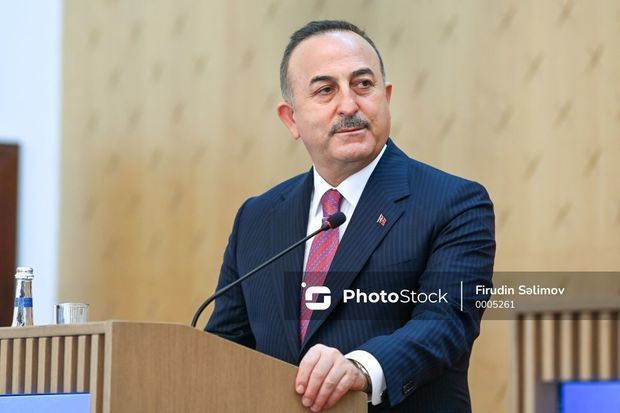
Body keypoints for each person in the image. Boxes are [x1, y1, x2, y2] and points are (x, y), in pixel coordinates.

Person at [206, 20, 495, 412]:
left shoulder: (453, 202)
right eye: (325, 90)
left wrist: (360, 368)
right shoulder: (257, 218)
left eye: (363, 84)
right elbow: (223, 350)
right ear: (291, 119)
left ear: (386, 97)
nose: (348, 105)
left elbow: (446, 322)